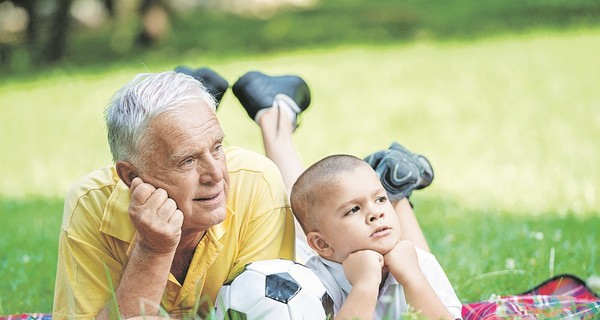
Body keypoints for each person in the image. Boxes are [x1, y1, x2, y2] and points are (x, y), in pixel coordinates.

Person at [52, 70, 302, 319]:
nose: (216, 175)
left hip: (309, 251)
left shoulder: (255, 181)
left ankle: (274, 112)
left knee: (307, 206)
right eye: (188, 161)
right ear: (130, 176)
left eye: (217, 147)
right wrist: (152, 250)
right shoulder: (90, 203)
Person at [289, 154, 463, 320]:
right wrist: (365, 285)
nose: (375, 213)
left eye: (380, 199)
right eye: (353, 209)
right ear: (322, 243)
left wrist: (413, 278)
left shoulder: (419, 263)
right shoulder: (313, 285)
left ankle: (397, 191)